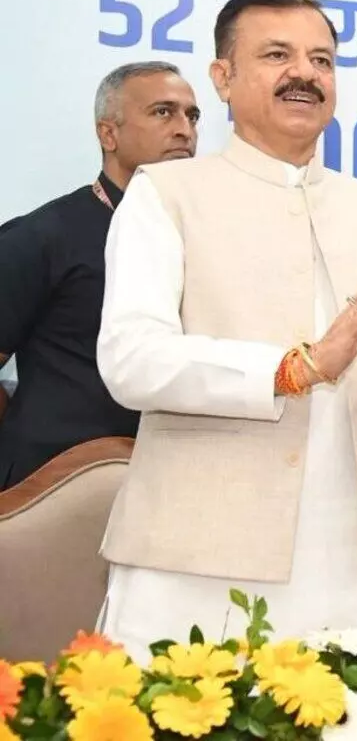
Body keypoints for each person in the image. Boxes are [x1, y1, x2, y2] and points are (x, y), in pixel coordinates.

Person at [94, 0, 357, 659]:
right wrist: (294, 368)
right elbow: (132, 359)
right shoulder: (165, 194)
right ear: (222, 78)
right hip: (202, 561)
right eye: (276, 55)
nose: (304, 74)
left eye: (321, 61)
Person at [0, 62, 199, 489]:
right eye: (163, 112)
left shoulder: (205, 238)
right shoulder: (42, 236)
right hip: (53, 488)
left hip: (175, 481)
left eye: (192, 115)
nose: (184, 129)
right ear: (108, 134)